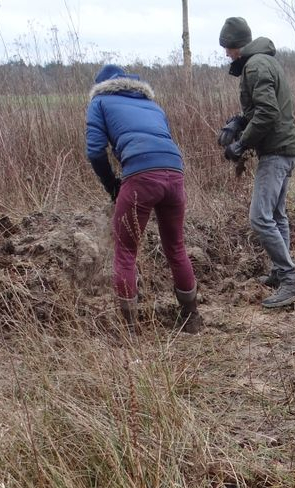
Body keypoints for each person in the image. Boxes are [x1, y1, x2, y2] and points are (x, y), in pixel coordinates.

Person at [85, 64, 202, 334]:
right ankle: (192, 318)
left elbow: (95, 152)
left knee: (125, 251)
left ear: (100, 86)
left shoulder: (99, 102)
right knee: (176, 247)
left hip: (141, 175)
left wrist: (113, 186)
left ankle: (129, 329)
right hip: (174, 173)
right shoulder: (153, 105)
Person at [217, 16, 295, 308]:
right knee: (277, 215)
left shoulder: (255, 66)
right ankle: (280, 272)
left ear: (236, 45)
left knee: (259, 217)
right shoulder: (264, 61)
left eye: (227, 48)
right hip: (286, 147)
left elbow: (268, 112)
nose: (226, 54)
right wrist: (239, 121)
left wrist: (241, 144)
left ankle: (291, 280)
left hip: (277, 151)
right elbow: (263, 108)